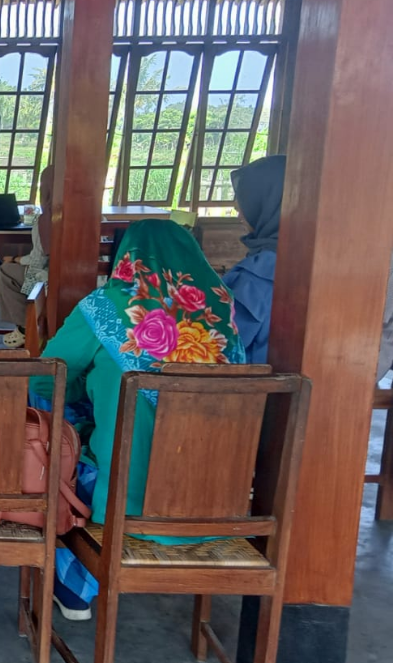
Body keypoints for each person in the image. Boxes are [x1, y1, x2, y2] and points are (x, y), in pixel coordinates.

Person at [30, 220, 245, 620]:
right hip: (217, 504)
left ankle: (78, 584)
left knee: (51, 421)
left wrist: (86, 398)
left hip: (127, 502)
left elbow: (45, 375)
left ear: (126, 259)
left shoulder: (107, 307)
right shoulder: (222, 309)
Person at [222, 154, 285, 364]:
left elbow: (223, 346)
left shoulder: (256, 277)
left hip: (256, 392)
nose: (237, 208)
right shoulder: (320, 260)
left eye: (244, 198)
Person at [0, 167, 54, 348]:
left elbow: (38, 261)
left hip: (51, 281)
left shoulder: (47, 219)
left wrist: (15, 259)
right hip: (96, 282)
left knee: (6, 271)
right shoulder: (98, 217)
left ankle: (25, 328)